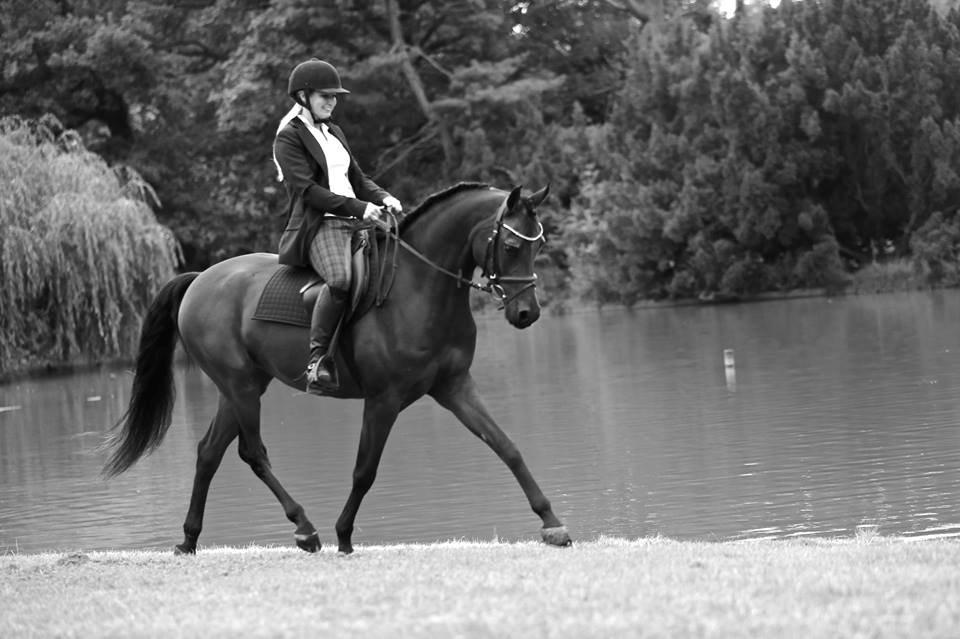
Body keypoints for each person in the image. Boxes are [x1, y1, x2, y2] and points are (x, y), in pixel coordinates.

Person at [273, 58, 402, 393]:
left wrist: (384, 197)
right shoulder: (289, 139)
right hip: (322, 225)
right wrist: (360, 208)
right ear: (303, 96)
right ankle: (317, 361)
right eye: (324, 95)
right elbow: (309, 192)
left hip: (357, 220)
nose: (331, 101)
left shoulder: (334, 132)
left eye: (334, 95)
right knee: (341, 279)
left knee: (399, 260)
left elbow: (357, 178)